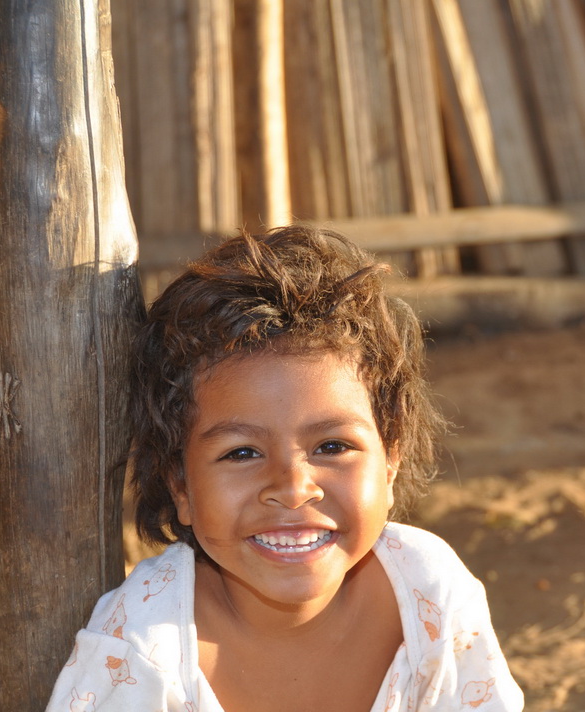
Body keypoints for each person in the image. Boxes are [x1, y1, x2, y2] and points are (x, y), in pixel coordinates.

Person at [45, 225, 524, 711]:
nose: (293, 489)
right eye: (242, 453)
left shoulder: (430, 601)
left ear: (390, 461)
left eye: (332, 446)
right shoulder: (140, 651)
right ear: (180, 485)